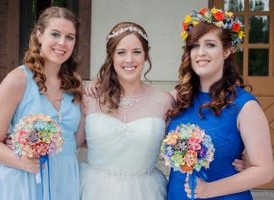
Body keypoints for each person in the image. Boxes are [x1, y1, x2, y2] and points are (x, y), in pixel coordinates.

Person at [166, 8, 273, 199]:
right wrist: (102, 85)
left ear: (227, 51)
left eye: (210, 45)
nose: (200, 53)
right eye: (194, 46)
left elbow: (265, 170)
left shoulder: (245, 106)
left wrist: (209, 189)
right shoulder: (177, 98)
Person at [0, 6, 84, 200]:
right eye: (55, 34)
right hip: (23, 180)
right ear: (39, 35)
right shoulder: (18, 80)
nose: (62, 43)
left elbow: (76, 140)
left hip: (65, 179)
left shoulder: (75, 83)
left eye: (70, 37)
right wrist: (21, 161)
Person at [80, 21, 173, 200]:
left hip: (146, 192)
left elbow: (177, 148)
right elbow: (73, 142)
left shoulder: (165, 101)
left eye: (136, 52)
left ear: (145, 56)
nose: (129, 59)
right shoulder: (90, 97)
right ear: (111, 57)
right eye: (121, 52)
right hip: (94, 190)